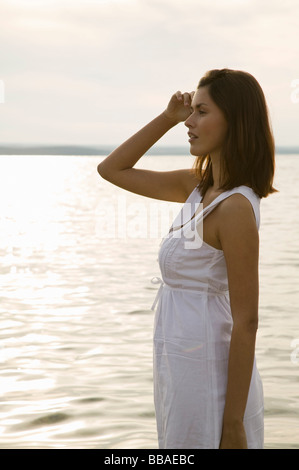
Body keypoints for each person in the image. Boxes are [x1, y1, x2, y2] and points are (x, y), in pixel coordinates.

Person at [97, 68, 276, 449]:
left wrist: (232, 425)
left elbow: (247, 322)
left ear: (235, 120)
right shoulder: (198, 188)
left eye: (201, 112)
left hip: (210, 375)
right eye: (190, 111)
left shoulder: (235, 208)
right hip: (179, 366)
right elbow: (111, 169)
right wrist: (167, 117)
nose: (189, 122)